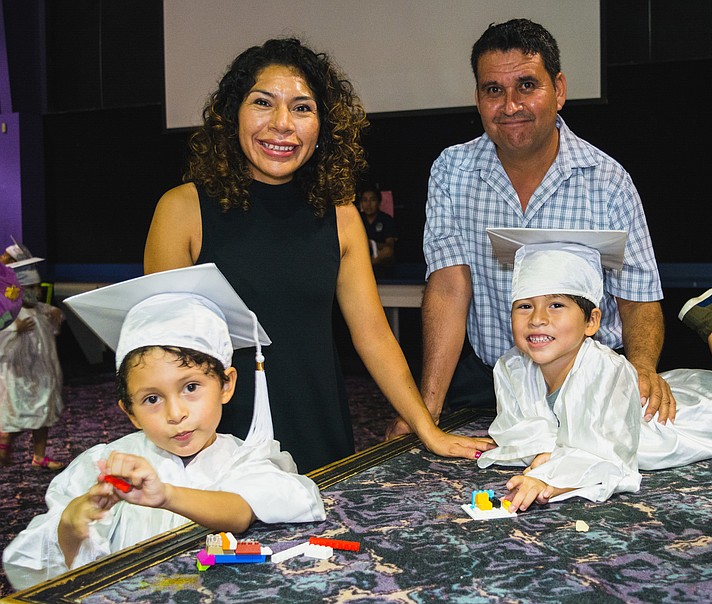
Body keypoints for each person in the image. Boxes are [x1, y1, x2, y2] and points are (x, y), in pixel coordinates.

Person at [143, 38, 493, 472]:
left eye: (302, 108)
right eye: (262, 102)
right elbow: (157, 354)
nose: (282, 124)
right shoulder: (182, 210)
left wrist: (427, 428)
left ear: (323, 127)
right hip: (215, 439)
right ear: (232, 113)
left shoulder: (341, 215)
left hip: (318, 429)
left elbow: (374, 337)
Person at [392, 18, 670, 439]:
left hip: (585, 384)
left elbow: (638, 296)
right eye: (493, 90)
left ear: (558, 90)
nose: (510, 106)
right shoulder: (452, 171)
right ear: (478, 98)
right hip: (488, 384)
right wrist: (425, 410)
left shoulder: (607, 180)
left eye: (526, 85)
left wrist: (643, 369)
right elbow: (450, 287)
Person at [2, 265, 326, 589]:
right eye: (152, 398)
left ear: (226, 384)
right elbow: (36, 567)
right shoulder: (104, 467)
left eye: (191, 387)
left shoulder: (247, 458)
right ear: (130, 412)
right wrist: (70, 526)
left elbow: (243, 509)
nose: (175, 413)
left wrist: (166, 495)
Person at [475, 232, 712, 512]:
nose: (537, 318)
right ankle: (710, 323)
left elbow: (608, 455)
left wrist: (551, 479)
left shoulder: (604, 370)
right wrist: (541, 453)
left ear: (592, 322)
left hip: (677, 424)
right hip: (673, 390)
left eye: (556, 304)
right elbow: (522, 425)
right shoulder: (512, 366)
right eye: (524, 306)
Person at [0, 242, 65, 470]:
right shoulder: (9, 314)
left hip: (41, 373)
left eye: (36, 288)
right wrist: (14, 329)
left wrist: (54, 311)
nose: (34, 292)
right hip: (19, 373)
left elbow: (41, 310)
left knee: (43, 413)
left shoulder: (37, 309)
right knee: (17, 412)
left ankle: (39, 456)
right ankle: (4, 443)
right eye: (29, 288)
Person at [358, 184, 398, 273]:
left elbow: (389, 246)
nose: (368, 204)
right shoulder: (357, 219)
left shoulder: (386, 219)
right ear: (361, 203)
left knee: (388, 252)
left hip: (380, 257)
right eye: (365, 200)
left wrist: (372, 244)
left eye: (372, 200)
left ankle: (367, 267)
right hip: (361, 254)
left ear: (379, 202)